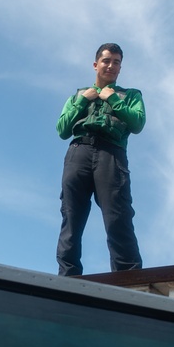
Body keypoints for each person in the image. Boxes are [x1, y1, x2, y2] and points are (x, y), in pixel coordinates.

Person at [55, 42, 145, 276]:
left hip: (111, 154)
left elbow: (137, 123)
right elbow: (62, 129)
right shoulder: (78, 95)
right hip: (79, 152)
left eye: (116, 62)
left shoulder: (130, 95)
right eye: (106, 60)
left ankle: (129, 278)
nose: (111, 66)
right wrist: (85, 100)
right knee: (71, 216)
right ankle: (68, 276)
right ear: (96, 64)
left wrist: (113, 100)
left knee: (118, 216)